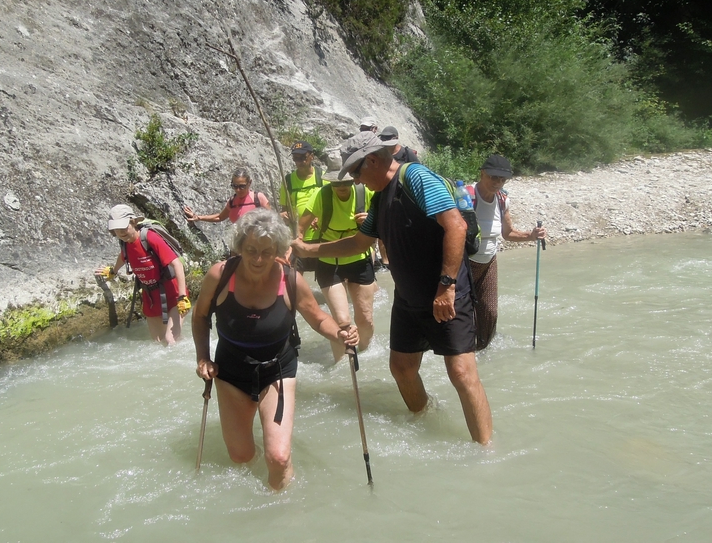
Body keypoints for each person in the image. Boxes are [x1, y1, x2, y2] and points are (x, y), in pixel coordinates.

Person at [292, 132, 492, 445]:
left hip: (445, 293)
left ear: (372, 160)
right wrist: (308, 250)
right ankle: (427, 423)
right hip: (409, 298)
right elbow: (359, 242)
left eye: (356, 173)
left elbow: (456, 226)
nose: (357, 181)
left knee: (462, 374)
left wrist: (447, 285)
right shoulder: (380, 198)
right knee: (401, 368)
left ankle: (485, 451)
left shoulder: (415, 177)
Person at [192, 208, 358, 490]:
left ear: (278, 251)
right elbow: (199, 316)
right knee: (240, 456)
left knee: (279, 457)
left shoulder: (291, 280)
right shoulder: (220, 275)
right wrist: (203, 357)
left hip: (278, 368)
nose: (258, 259)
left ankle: (283, 511)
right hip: (231, 370)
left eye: (267, 252)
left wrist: (341, 333)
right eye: (251, 250)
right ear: (240, 247)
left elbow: (317, 317)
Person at [467, 154, 546, 350]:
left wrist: (532, 235)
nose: (498, 183)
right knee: (462, 313)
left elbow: (508, 233)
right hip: (463, 263)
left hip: (488, 263)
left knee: (490, 313)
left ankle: (482, 352)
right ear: (482, 173)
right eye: (494, 177)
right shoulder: (467, 197)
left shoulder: (502, 200)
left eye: (502, 179)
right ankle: (458, 351)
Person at [298, 170, 377, 362]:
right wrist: (296, 245)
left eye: (346, 182)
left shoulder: (366, 192)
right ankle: (341, 363)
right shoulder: (322, 195)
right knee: (342, 320)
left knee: (365, 319)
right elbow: (300, 227)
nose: (341, 187)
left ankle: (366, 355)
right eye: (335, 183)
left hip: (360, 259)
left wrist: (371, 219)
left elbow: (387, 220)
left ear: (354, 179)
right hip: (329, 262)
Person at [95, 205, 189, 346]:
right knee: (158, 344)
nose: (120, 233)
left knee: (171, 341)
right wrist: (113, 271)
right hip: (151, 297)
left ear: (133, 222)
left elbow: (177, 264)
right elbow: (123, 257)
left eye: (123, 228)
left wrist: (183, 297)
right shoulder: (125, 243)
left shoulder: (150, 238)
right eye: (116, 229)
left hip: (173, 294)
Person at [278, 141, 323, 272]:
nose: (299, 161)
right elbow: (284, 209)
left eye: (303, 157)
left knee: (325, 279)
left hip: (321, 236)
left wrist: (321, 218)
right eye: (295, 158)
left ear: (312, 157)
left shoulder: (323, 177)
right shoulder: (288, 181)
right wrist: (283, 216)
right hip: (298, 238)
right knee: (295, 276)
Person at [183, 168, 270, 224]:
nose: (238, 190)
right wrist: (198, 217)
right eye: (235, 186)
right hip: (238, 247)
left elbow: (272, 220)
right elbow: (220, 217)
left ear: (249, 183)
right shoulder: (232, 202)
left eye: (242, 186)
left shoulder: (258, 198)